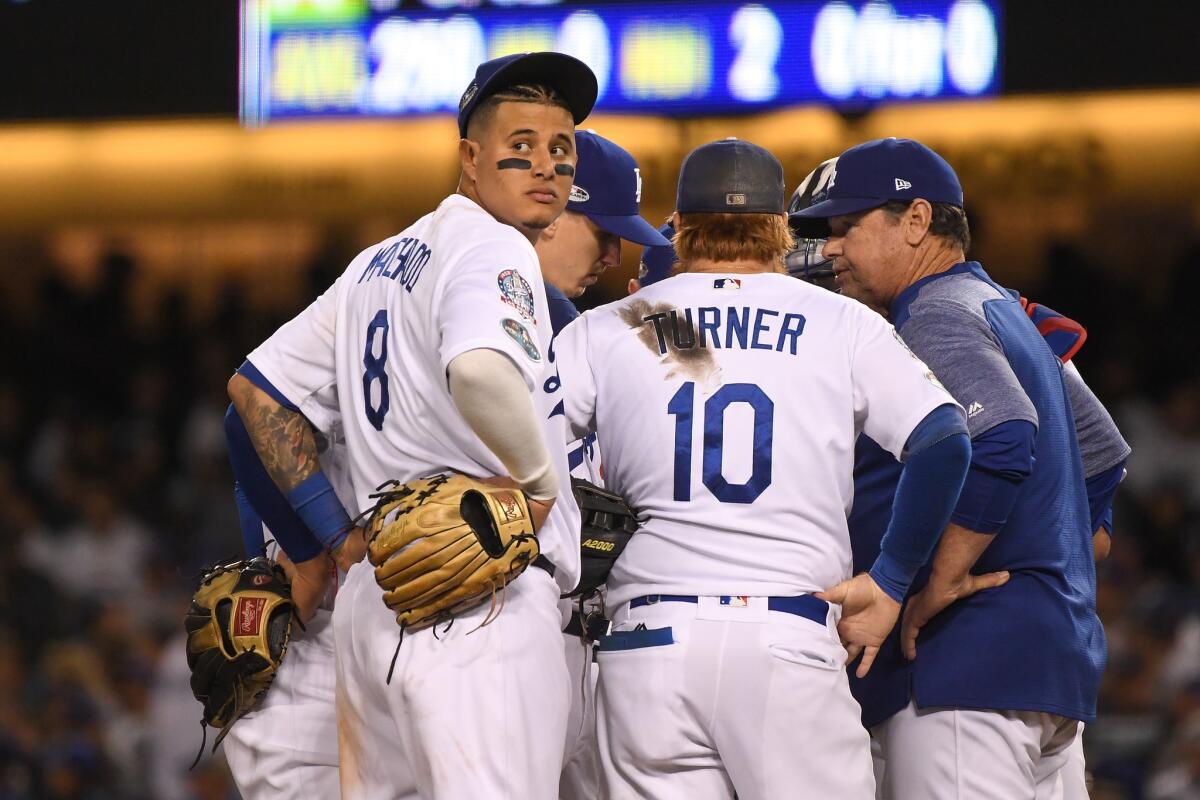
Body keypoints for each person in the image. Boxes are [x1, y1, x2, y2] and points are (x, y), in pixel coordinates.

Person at [551, 137, 975, 799]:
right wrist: (891, 583)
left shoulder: (605, 327)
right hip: (786, 639)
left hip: (646, 648)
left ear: (682, 228)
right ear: (779, 229)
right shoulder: (844, 323)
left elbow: (524, 448)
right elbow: (945, 441)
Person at [227, 51, 597, 799]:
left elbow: (255, 391)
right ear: (470, 156)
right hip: (479, 595)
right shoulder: (493, 246)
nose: (546, 166)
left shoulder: (377, 261)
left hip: (375, 606)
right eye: (520, 146)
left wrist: (337, 540)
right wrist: (539, 484)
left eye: (562, 149)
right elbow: (480, 371)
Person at [787, 158, 1130, 799]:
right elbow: (1103, 455)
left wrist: (935, 580)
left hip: (963, 670)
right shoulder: (1004, 306)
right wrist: (1052, 561)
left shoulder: (932, 312)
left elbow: (1003, 436)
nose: (830, 248)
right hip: (1048, 665)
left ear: (917, 221)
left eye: (846, 226)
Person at [531, 127, 668, 800]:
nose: (614, 257)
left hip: (572, 634)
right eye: (605, 233)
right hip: (517, 633)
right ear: (554, 207)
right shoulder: (543, 316)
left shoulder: (569, 321)